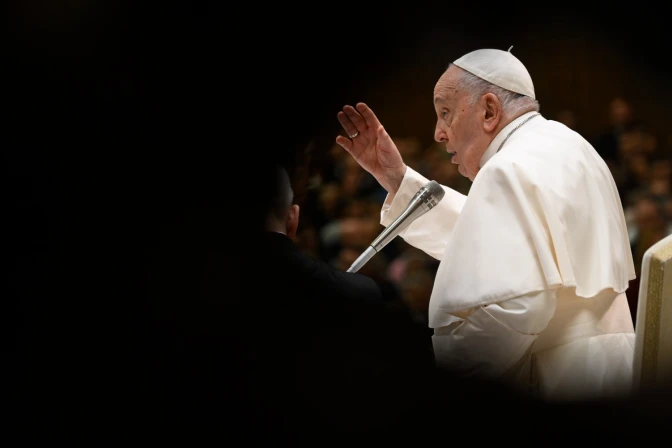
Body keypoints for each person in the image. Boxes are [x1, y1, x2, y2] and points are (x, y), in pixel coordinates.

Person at [335, 48, 636, 402]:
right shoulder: (567, 145)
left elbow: (516, 305)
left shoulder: (506, 167)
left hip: (557, 382)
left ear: (490, 111)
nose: (438, 133)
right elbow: (502, 245)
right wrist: (398, 179)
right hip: (608, 371)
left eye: (445, 113)